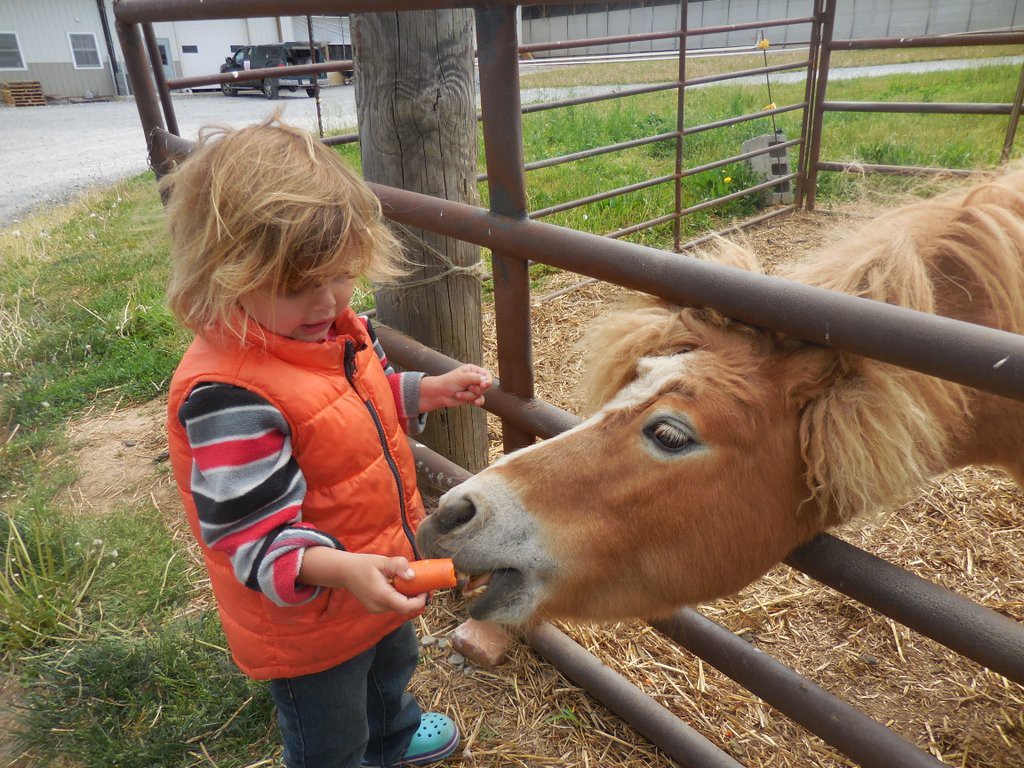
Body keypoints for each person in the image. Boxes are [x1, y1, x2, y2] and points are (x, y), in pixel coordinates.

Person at [161, 115, 492, 768]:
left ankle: (393, 738)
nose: (325, 300)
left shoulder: (332, 332)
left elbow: (352, 403)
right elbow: (252, 539)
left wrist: (424, 392)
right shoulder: (231, 395)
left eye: (341, 274)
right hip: (308, 618)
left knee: (392, 665)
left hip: (372, 572)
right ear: (223, 274)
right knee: (330, 727)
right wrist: (346, 571)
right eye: (295, 285)